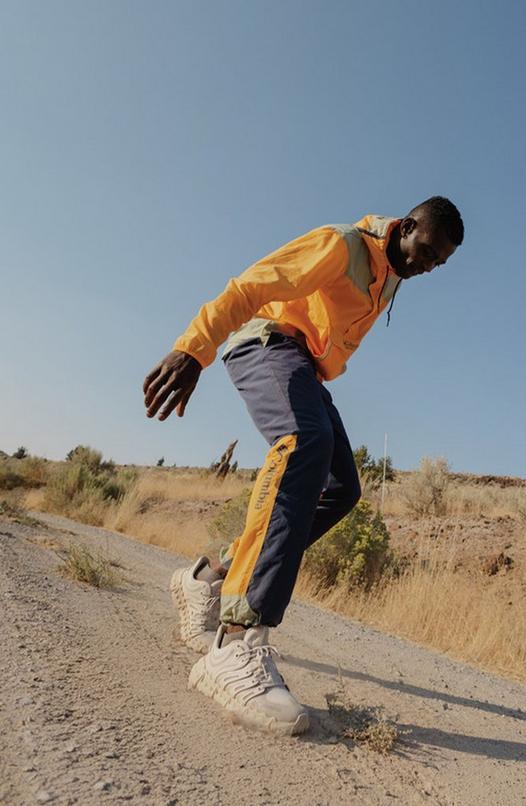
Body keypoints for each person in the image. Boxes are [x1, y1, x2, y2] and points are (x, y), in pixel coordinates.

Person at [143, 197, 464, 735]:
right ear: (406, 226)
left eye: (439, 263)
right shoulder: (342, 244)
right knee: (302, 443)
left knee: (341, 487)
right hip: (266, 342)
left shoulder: (393, 273)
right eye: (426, 250)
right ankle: (237, 640)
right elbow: (253, 285)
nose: (427, 266)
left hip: (304, 367)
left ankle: (211, 578)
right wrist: (193, 349)